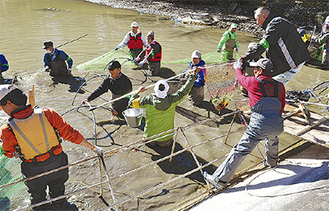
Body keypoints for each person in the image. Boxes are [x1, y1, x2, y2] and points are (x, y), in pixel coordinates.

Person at [0, 84, 104, 210]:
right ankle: (60, 206)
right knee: (58, 191)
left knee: (37, 198)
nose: (2, 109)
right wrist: (94, 148)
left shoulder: (7, 129)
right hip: (57, 163)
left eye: (2, 106)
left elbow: (9, 153)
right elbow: (71, 134)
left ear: (9, 103)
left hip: (33, 170)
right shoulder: (47, 113)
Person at [203, 58, 285, 190]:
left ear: (259, 71)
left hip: (259, 125)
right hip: (277, 124)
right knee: (273, 138)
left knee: (240, 150)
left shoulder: (253, 82)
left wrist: (237, 67)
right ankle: (272, 163)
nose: (254, 71)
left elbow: (239, 78)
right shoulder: (280, 86)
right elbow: (281, 106)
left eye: (255, 69)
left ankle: (220, 180)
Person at [129, 68, 200, 147]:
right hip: (165, 138)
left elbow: (131, 103)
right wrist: (193, 76)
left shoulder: (147, 100)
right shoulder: (173, 100)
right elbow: (185, 90)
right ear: (167, 90)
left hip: (149, 136)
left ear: (155, 89)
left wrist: (137, 92)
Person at [244, 7, 310, 82]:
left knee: (271, 88)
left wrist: (246, 57)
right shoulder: (278, 22)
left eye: (257, 19)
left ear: (264, 16)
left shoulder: (276, 24)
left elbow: (263, 45)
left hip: (293, 64)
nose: (257, 22)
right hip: (294, 60)